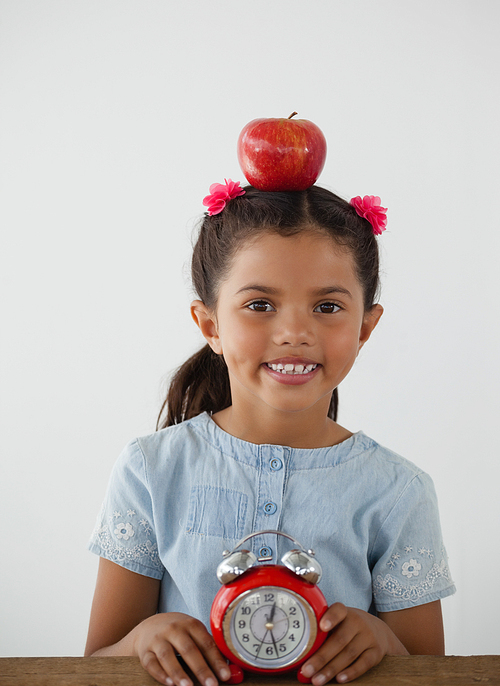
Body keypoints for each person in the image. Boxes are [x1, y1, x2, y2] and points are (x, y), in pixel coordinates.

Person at [85, 182, 455, 685]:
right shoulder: (150, 471)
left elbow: (433, 674)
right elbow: (94, 665)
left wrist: (382, 641)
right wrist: (141, 641)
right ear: (209, 323)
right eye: (260, 304)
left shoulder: (399, 492)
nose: (294, 332)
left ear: (366, 327)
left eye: (327, 307)